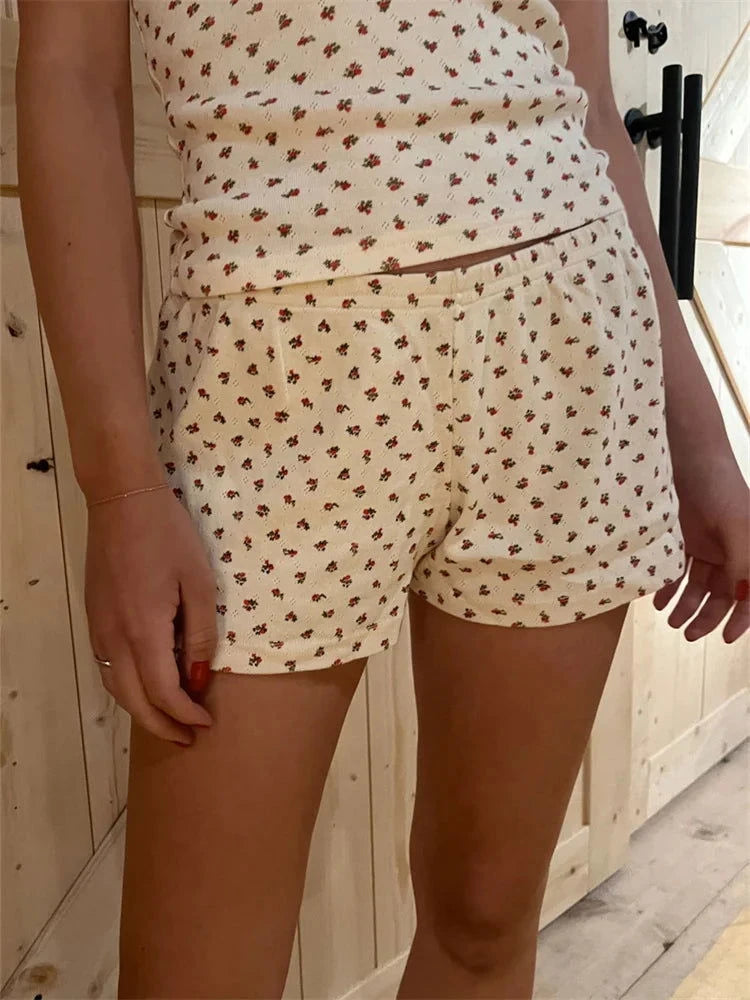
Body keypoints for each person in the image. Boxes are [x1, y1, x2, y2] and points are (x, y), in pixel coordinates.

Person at [16, 1, 748, 997]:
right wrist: (121, 489)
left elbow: (590, 107)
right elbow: (71, 77)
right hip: (269, 366)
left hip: (568, 349)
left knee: (488, 919)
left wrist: (701, 444)